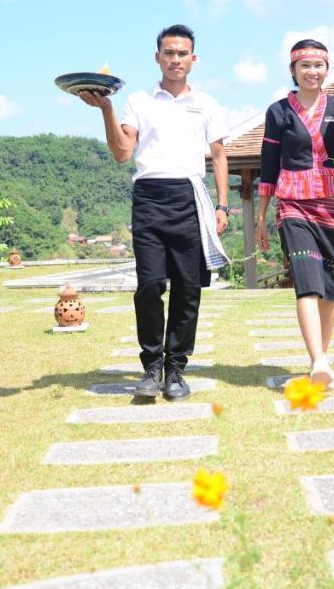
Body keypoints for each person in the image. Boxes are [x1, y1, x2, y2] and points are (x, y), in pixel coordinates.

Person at [78, 24, 229, 401]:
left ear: (193, 59)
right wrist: (107, 108)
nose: (175, 59)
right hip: (149, 196)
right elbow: (122, 152)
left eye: (182, 54)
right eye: (168, 53)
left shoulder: (207, 103)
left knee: (188, 288)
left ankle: (176, 368)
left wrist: (222, 205)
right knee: (149, 286)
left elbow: (220, 155)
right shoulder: (139, 102)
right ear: (157, 57)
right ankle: (151, 367)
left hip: (190, 196)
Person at [254, 39, 334, 388]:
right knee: (306, 278)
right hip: (292, 201)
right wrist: (261, 216)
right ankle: (317, 360)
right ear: (293, 70)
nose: (312, 72)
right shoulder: (278, 111)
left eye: (319, 65)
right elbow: (268, 166)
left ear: (327, 69)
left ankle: (321, 358)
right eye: (305, 66)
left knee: (330, 284)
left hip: (333, 201)